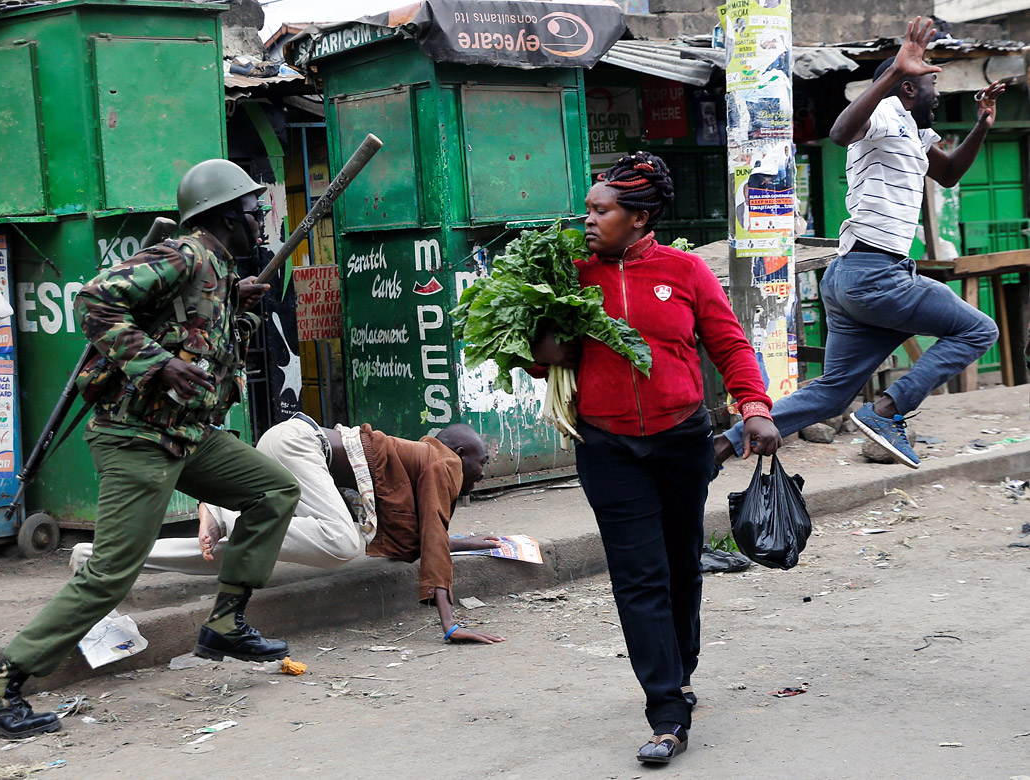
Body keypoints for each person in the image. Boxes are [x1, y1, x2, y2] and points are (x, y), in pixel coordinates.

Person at [0, 160, 303, 739]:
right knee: (110, 576)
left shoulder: (215, 271)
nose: (260, 222)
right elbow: (94, 299)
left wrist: (234, 302)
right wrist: (159, 364)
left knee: (274, 489)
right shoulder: (186, 254)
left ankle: (225, 623)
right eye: (253, 212)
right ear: (223, 217)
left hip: (187, 437)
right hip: (137, 439)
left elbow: (191, 326)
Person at [531, 151, 781, 765]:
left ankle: (681, 670)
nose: (587, 220)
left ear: (640, 217)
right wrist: (550, 339)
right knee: (638, 577)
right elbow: (541, 360)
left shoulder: (686, 271)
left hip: (680, 442)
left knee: (681, 566)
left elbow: (728, 343)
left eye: (601, 210)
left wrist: (754, 405)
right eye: (588, 209)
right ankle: (667, 711)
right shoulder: (571, 275)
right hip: (608, 447)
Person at [716, 16, 1002, 471]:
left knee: (833, 392)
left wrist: (983, 124)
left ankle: (721, 447)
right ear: (907, 87)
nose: (938, 94)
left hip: (852, 277)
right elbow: (839, 133)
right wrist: (896, 70)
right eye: (931, 84)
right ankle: (887, 411)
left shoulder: (913, 129)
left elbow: (947, 174)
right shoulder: (883, 112)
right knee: (979, 329)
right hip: (875, 276)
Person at [71, 415, 505, 645]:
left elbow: (424, 537)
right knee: (340, 543)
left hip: (286, 443)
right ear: (460, 451)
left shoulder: (423, 460)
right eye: (482, 462)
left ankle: (95, 559)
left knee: (247, 550)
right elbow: (431, 535)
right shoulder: (443, 462)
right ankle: (226, 515)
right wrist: (449, 623)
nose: (483, 472)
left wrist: (470, 543)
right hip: (300, 445)